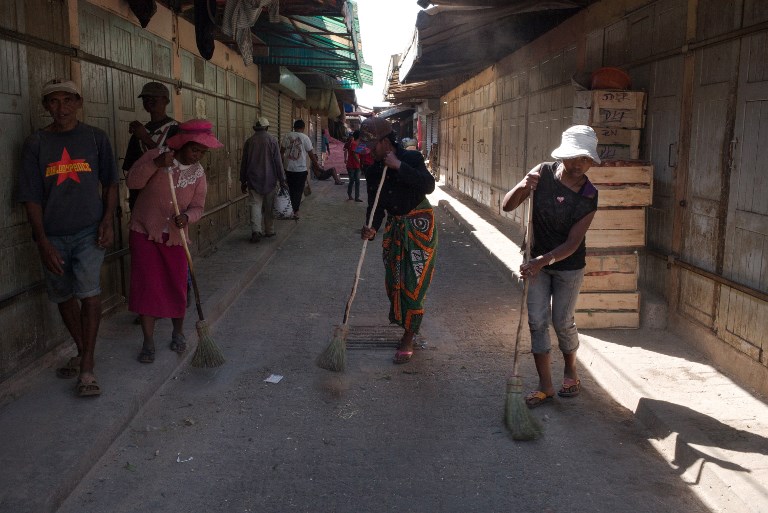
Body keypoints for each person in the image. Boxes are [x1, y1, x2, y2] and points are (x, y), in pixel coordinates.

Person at [17, 78, 119, 397]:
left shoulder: (95, 138)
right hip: (53, 235)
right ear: (46, 106)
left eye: (67, 101)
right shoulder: (36, 144)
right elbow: (31, 197)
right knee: (63, 297)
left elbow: (111, 183)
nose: (61, 108)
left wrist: (107, 221)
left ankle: (87, 367)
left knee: (89, 294)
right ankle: (82, 350)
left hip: (89, 230)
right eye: (53, 102)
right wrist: (43, 241)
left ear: (78, 102)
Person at [501, 125, 600, 408]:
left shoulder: (589, 195)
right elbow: (508, 206)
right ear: (563, 156)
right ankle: (545, 386)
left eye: (586, 159)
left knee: (562, 321)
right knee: (536, 321)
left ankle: (570, 369)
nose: (580, 164)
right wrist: (523, 186)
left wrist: (541, 262)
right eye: (575, 157)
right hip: (536, 259)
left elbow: (572, 243)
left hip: (568, 267)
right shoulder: (543, 172)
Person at [126, 119, 222, 363]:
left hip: (176, 238)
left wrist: (187, 217)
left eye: (202, 152)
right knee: (147, 286)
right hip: (145, 232)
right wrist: (157, 165)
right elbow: (133, 181)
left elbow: (198, 206)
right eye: (194, 150)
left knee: (177, 285)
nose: (197, 156)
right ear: (181, 144)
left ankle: (177, 333)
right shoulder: (156, 156)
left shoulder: (198, 174)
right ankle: (148, 342)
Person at [359, 117, 438, 365]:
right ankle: (408, 325)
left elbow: (429, 186)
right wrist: (371, 228)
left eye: (372, 145)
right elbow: (376, 206)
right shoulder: (372, 170)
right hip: (394, 229)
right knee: (395, 282)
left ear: (385, 142)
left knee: (414, 285)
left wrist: (399, 167)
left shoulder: (411, 159)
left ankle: (409, 335)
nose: (368, 150)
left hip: (419, 228)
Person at [122, 81, 179, 212]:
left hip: (168, 201)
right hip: (141, 202)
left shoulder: (177, 130)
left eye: (154, 98)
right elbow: (131, 170)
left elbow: (176, 165)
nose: (149, 101)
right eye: (145, 99)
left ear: (165, 100)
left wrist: (146, 139)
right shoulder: (138, 132)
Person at [240, 117, 287, 243]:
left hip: (253, 180)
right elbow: (278, 163)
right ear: (267, 128)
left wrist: (242, 180)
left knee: (255, 205)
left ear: (255, 128)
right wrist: (282, 180)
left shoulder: (249, 142)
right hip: (270, 180)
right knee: (269, 206)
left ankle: (256, 231)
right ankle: (269, 230)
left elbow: (244, 163)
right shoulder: (272, 140)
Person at [280, 119, 321, 219]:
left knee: (290, 188)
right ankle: (296, 211)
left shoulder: (287, 136)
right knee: (298, 191)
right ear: (303, 127)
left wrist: (282, 164)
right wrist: (317, 166)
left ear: (294, 127)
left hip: (288, 168)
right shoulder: (305, 138)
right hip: (300, 170)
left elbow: (281, 152)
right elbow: (311, 154)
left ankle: (290, 209)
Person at [344, 130, 362, 202]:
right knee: (354, 181)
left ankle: (354, 196)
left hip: (354, 165)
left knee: (354, 181)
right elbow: (355, 154)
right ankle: (352, 196)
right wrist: (360, 163)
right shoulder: (354, 143)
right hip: (353, 165)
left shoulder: (357, 144)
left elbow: (359, 153)